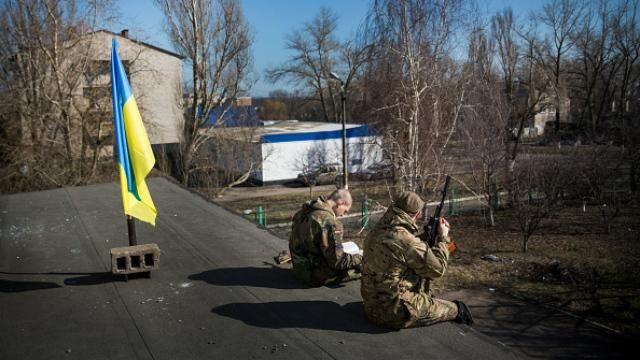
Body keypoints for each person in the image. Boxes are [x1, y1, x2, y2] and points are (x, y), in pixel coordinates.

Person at [360, 191, 473, 328]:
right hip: (394, 313)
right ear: (418, 214)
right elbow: (437, 270)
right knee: (457, 308)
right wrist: (443, 238)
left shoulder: (377, 230)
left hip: (371, 306)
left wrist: (424, 237)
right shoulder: (410, 243)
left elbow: (399, 247)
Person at [289, 188, 362, 286]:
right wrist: (361, 257)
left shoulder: (305, 210)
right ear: (340, 202)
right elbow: (337, 262)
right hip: (312, 275)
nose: (343, 214)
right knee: (364, 268)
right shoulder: (329, 222)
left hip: (299, 267)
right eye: (345, 211)